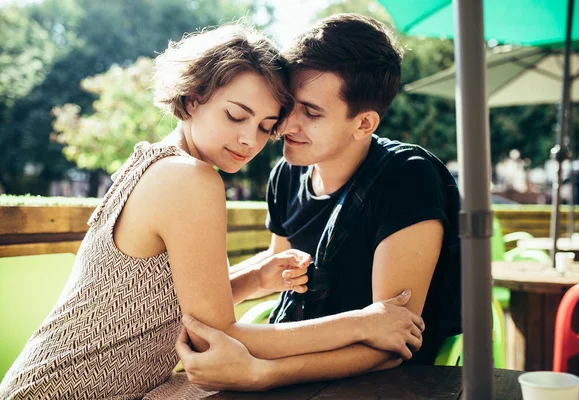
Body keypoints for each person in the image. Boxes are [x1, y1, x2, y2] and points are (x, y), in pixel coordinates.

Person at [0, 22, 425, 399]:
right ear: (193, 96)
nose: (248, 141)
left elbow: (156, 305)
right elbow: (221, 335)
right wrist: (364, 322)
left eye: (264, 127)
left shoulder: (154, 159)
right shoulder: (190, 179)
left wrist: (253, 278)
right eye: (236, 116)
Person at [176, 13, 462, 391]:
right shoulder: (286, 174)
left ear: (364, 124)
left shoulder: (407, 177)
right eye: (288, 105)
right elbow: (283, 281)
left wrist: (262, 373)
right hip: (290, 363)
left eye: (311, 113)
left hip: (385, 385)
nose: (285, 125)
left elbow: (394, 341)